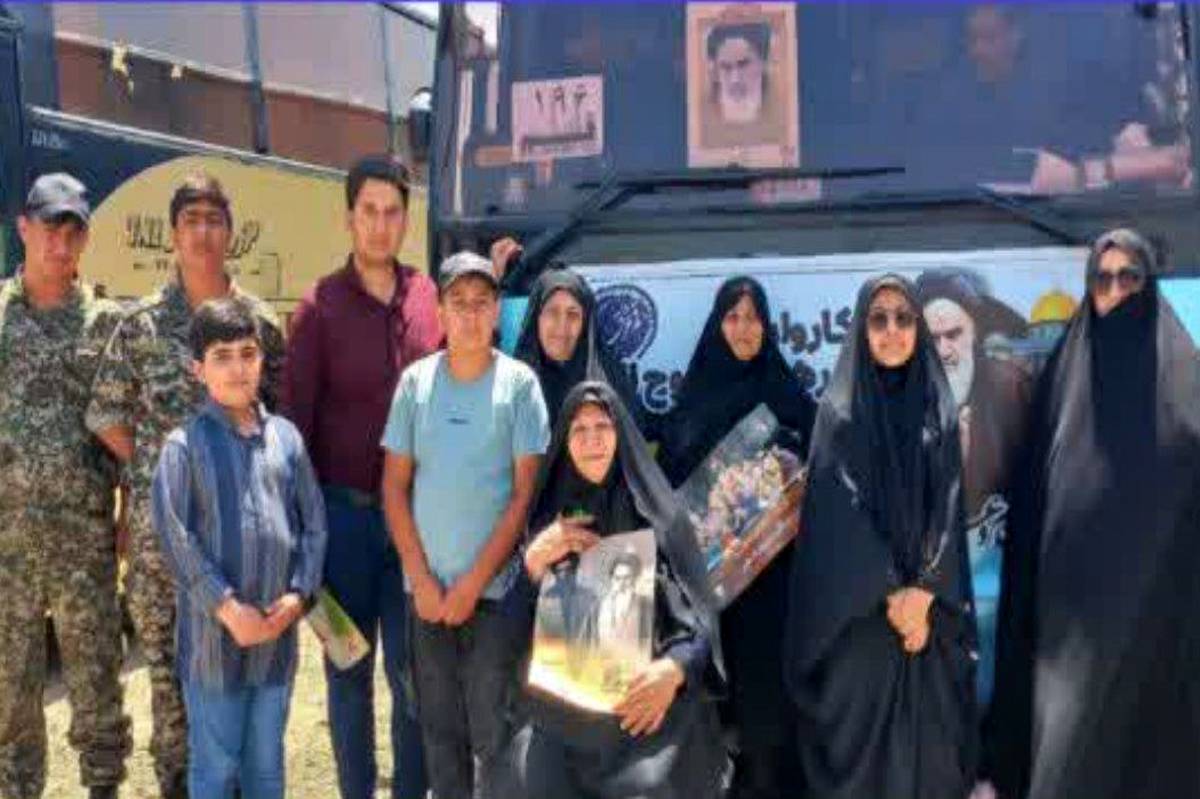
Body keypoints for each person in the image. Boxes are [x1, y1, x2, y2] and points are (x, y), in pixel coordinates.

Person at [87, 173, 285, 798]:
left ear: (230, 233)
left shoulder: (259, 324)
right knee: (172, 697)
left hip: (240, 548)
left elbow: (277, 422)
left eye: (213, 219)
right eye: (190, 220)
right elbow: (107, 415)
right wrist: (158, 465)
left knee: (240, 683)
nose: (202, 232)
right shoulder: (139, 324)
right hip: (162, 553)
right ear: (173, 233)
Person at [986, 229, 1200, 799]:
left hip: (1161, 642)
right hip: (1070, 651)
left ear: (1149, 286)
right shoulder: (1061, 386)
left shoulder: (1189, 392)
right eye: (1102, 280)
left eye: (1129, 278)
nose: (1115, 292)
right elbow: (1028, 528)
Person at [282, 155, 440, 799]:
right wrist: (304, 540)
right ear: (349, 217)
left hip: (414, 526)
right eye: (368, 211)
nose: (380, 225)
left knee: (414, 676)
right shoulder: (317, 308)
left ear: (407, 218)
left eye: (392, 212)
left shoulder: (428, 298)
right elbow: (292, 431)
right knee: (347, 673)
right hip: (338, 525)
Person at [784, 274, 976, 799]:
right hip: (860, 625)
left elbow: (949, 507)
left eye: (904, 319)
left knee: (933, 764)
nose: (892, 331)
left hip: (928, 622)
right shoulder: (840, 415)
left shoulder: (938, 409)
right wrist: (892, 593)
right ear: (861, 331)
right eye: (879, 319)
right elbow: (837, 516)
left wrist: (925, 592)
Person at [497, 381, 728, 799]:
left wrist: (674, 670)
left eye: (602, 427)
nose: (592, 440)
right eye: (579, 430)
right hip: (561, 720)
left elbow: (697, 621)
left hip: (642, 713)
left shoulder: (659, 518)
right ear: (564, 442)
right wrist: (532, 564)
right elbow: (507, 635)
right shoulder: (546, 522)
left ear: (620, 433)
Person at [380, 251, 550, 799]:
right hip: (427, 600)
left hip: (494, 598)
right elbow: (394, 487)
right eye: (459, 303)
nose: (470, 315)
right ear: (441, 312)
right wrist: (422, 580)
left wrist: (473, 585)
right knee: (439, 736)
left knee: (495, 738)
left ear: (498, 311)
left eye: (481, 303)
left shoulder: (519, 385)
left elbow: (522, 496)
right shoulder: (415, 384)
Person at [151, 297, 327, 799]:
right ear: (197, 369)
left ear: (262, 359)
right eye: (222, 357)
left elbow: (313, 525)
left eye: (247, 354)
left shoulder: (285, 439)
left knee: (266, 770)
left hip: (275, 643)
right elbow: (175, 537)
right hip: (213, 646)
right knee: (215, 770)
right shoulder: (183, 447)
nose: (237, 368)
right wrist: (228, 608)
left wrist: (298, 595)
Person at [657, 275, 816, 799]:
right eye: (733, 317)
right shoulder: (693, 404)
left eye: (753, 318)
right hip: (713, 595)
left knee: (770, 720)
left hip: (776, 592)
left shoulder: (789, 400)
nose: (743, 328)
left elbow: (820, 479)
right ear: (716, 325)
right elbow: (672, 492)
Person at [0, 174, 132, 799]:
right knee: (10, 705)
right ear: (23, 228)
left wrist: (129, 513)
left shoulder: (107, 324)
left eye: (73, 232)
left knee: (99, 699)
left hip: (85, 548)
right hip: (8, 550)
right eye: (50, 229)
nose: (60, 244)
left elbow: (128, 426)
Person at [916, 268, 1031, 708]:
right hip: (928, 602)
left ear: (975, 332)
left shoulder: (1012, 388)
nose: (945, 350)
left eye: (954, 334)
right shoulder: (900, 397)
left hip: (1000, 594)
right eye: (933, 339)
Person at [513, 265, 642, 430]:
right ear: (536, 319)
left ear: (585, 323)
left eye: (573, 314)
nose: (562, 326)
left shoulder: (612, 386)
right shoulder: (513, 387)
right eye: (552, 312)